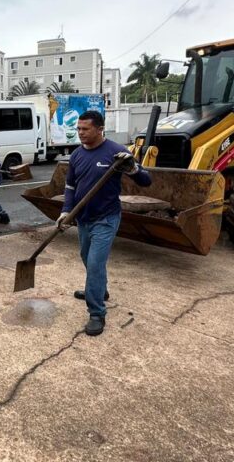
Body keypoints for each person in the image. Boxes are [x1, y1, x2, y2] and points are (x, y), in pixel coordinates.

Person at [59, 110, 151, 336]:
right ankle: (100, 290)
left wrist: (132, 168)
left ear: (100, 129)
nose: (80, 133)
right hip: (83, 218)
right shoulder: (77, 155)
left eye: (85, 129)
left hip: (106, 218)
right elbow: (70, 186)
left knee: (95, 264)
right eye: (78, 129)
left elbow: (146, 181)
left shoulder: (117, 152)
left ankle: (97, 312)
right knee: (86, 258)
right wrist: (66, 210)